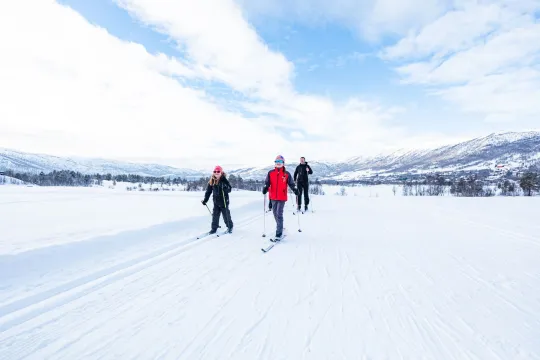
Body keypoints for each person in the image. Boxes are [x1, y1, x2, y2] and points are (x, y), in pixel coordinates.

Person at [262, 155, 298, 238]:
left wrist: (295, 189)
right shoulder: (270, 173)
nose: (278, 163)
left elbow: (291, 184)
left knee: (279, 214)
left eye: (280, 162)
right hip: (273, 196)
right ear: (275, 163)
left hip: (282, 197)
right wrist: (265, 187)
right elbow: (267, 183)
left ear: (283, 163)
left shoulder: (286, 174)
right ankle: (280, 226)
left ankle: (279, 232)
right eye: (277, 162)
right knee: (275, 213)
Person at [202, 165, 233, 234]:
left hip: (224, 201)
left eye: (218, 171)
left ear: (221, 172)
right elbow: (208, 192)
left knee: (226, 215)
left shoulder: (224, 180)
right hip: (216, 202)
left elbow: (229, 189)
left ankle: (230, 227)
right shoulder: (211, 181)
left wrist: (225, 188)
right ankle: (214, 229)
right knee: (215, 216)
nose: (216, 173)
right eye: (215, 171)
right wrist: (205, 200)